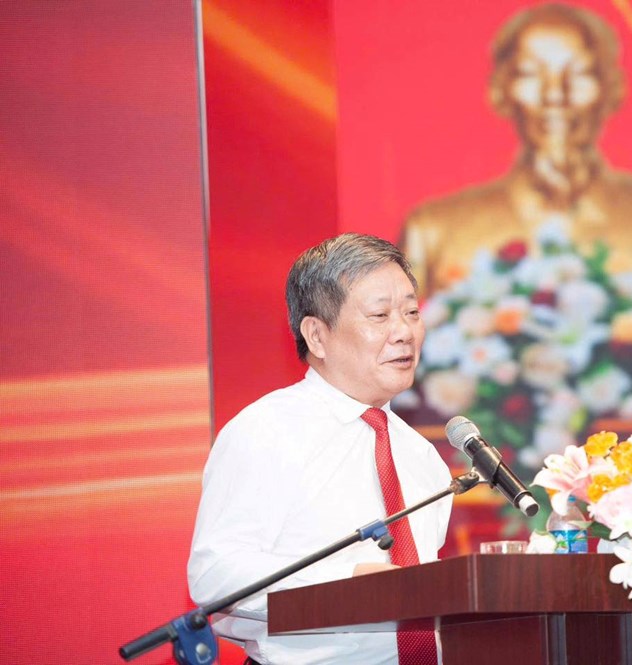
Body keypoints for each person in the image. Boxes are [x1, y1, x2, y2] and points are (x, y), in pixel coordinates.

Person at [188, 233, 452, 665]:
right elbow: (215, 575)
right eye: (380, 315)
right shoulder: (266, 431)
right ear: (317, 335)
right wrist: (349, 583)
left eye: (411, 312)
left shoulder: (421, 455)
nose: (404, 332)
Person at [402, 2, 632, 299]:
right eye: (531, 74)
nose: (555, 96)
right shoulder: (432, 234)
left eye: (579, 74)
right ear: (500, 92)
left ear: (612, 89)